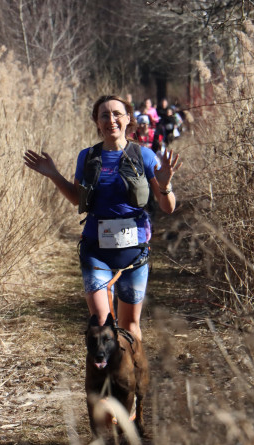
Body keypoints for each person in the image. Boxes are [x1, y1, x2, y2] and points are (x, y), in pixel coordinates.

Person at [22, 95, 181, 342]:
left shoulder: (145, 157)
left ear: (129, 119)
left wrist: (165, 185)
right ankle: (107, 376)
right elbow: (77, 199)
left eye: (117, 113)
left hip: (134, 250)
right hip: (95, 249)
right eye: (104, 115)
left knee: (129, 326)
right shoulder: (87, 157)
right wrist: (54, 174)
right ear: (97, 122)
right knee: (101, 325)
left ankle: (134, 375)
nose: (111, 119)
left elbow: (167, 207)